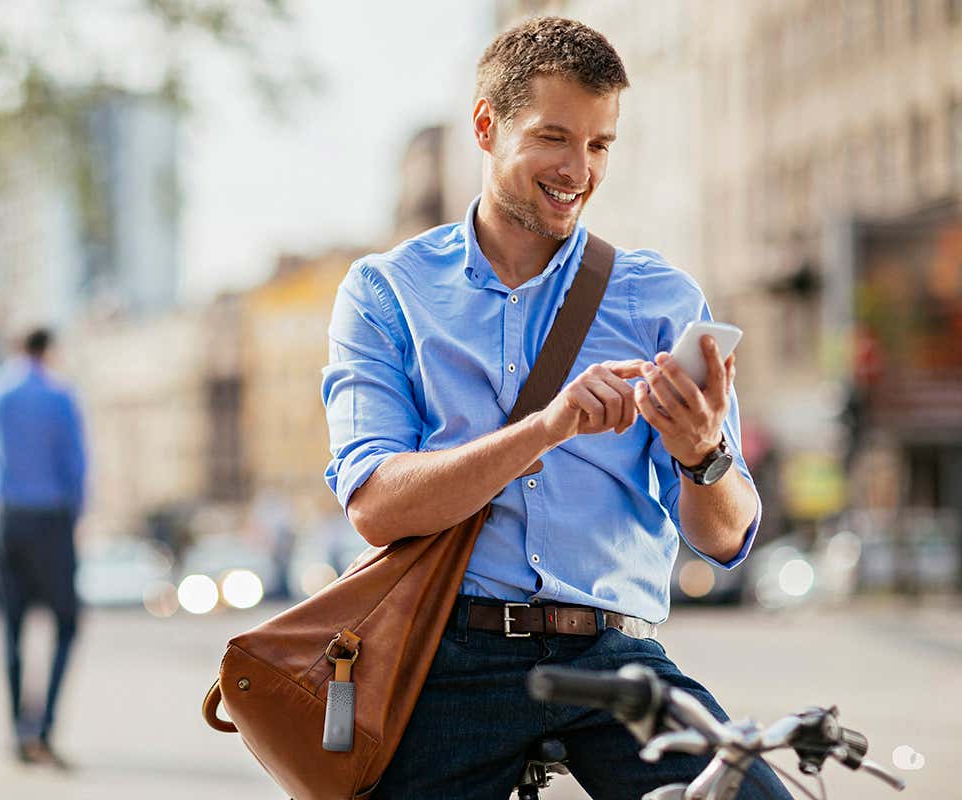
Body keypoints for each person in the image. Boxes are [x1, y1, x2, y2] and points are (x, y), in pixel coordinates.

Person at [320, 17, 794, 800]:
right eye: (555, 138)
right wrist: (549, 428)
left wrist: (702, 452)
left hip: (613, 655)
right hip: (447, 656)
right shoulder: (386, 293)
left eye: (601, 145)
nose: (579, 170)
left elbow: (725, 537)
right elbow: (375, 505)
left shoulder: (660, 298)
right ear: (485, 125)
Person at [0, 328, 86, 767]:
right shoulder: (60, 396)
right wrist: (74, 518)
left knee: (11, 628)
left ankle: (17, 729)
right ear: (48, 350)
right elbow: (75, 465)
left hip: (7, 518)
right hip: (50, 520)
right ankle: (43, 727)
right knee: (66, 625)